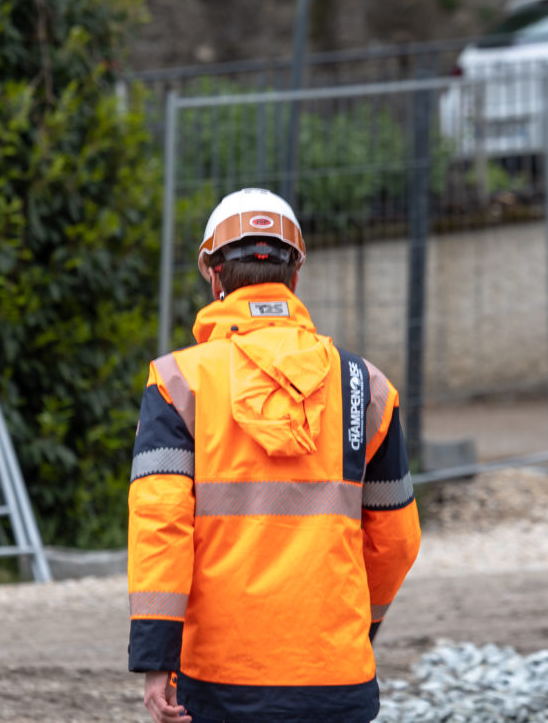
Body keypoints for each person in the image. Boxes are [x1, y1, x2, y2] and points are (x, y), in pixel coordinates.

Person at [127, 187, 422, 723]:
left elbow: (160, 527)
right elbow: (397, 541)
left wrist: (155, 659)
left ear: (214, 276)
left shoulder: (177, 382)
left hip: (219, 681)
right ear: (295, 275)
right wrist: (358, 626)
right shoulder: (368, 387)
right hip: (336, 677)